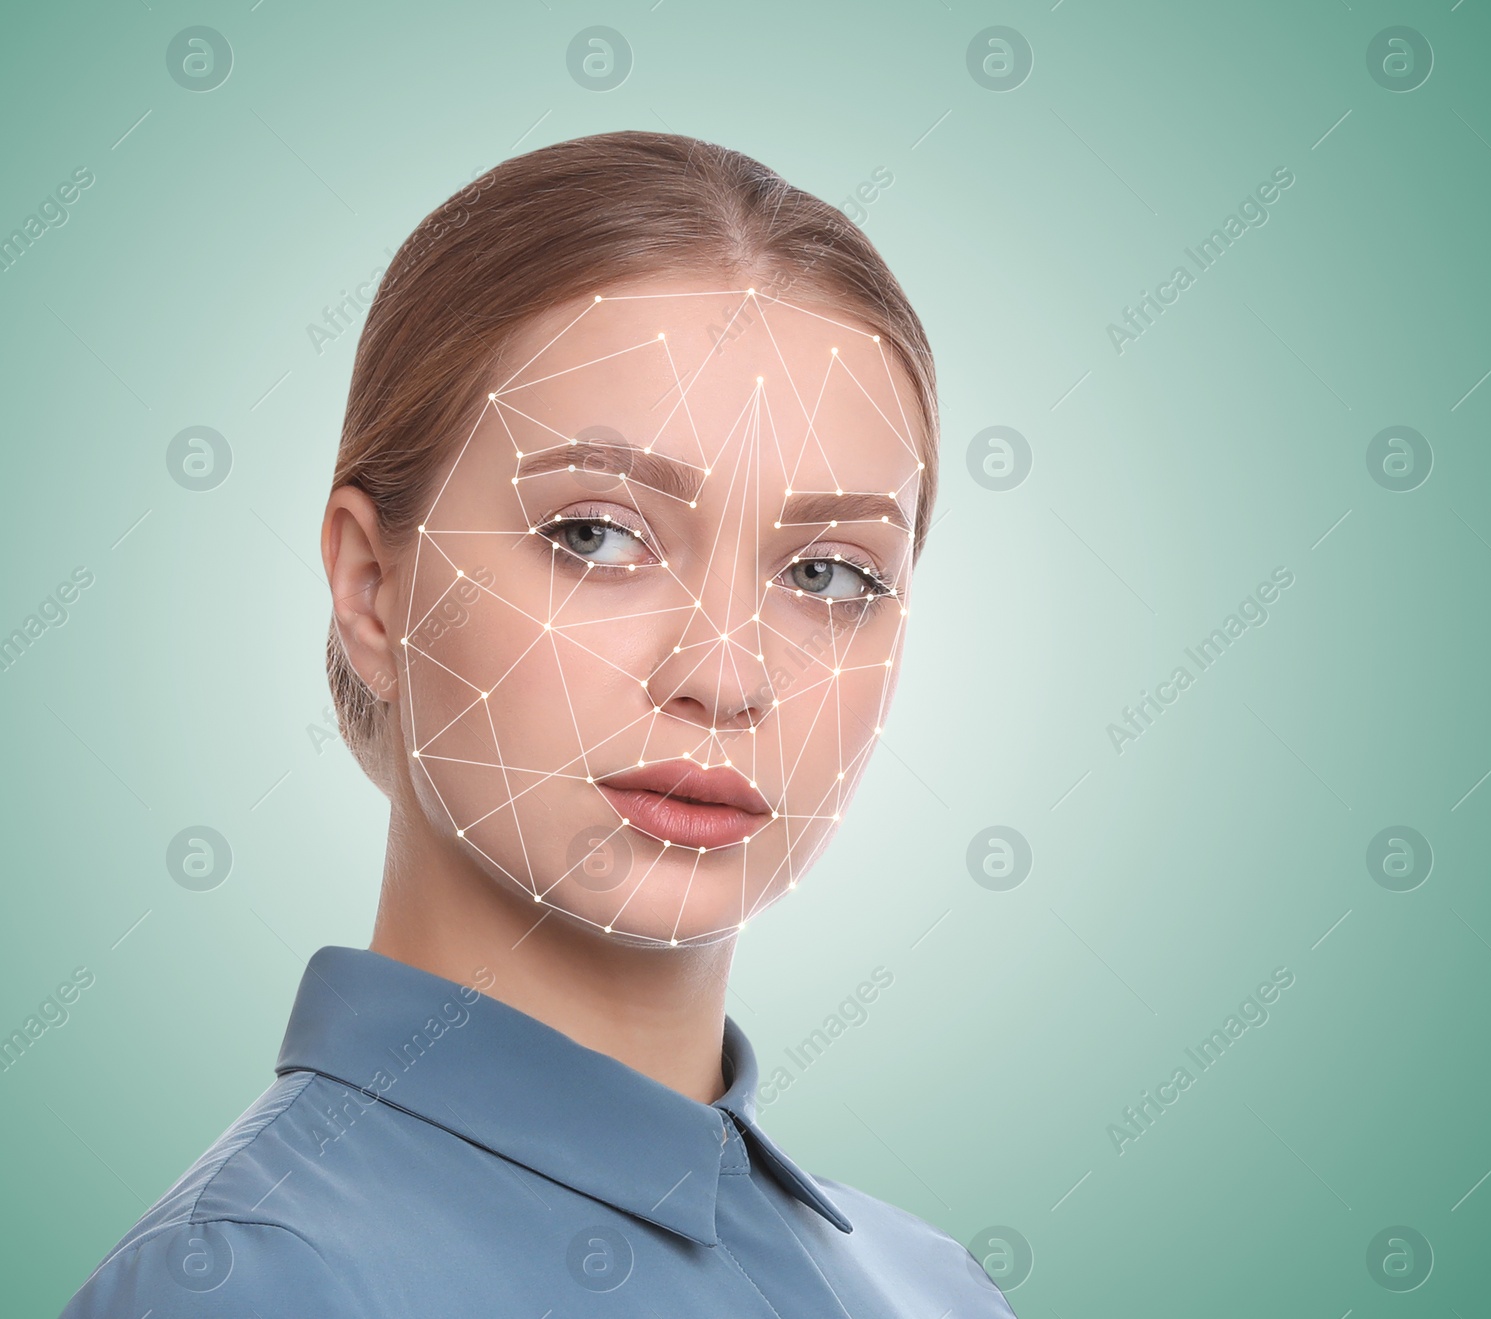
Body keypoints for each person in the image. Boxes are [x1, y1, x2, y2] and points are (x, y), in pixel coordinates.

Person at [59, 129, 1017, 1318]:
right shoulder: (256, 1279)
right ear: (371, 585)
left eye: (827, 574)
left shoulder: (935, 1286)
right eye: (595, 535)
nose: (724, 674)